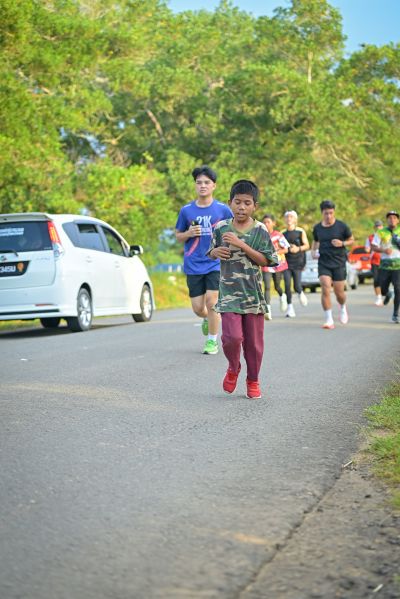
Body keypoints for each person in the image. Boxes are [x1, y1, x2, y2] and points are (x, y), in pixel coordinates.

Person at [208, 179, 278, 399]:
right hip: (229, 294)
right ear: (230, 202)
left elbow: (267, 260)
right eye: (237, 202)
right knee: (232, 338)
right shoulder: (220, 228)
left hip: (253, 295)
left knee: (254, 345)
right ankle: (233, 367)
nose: (241, 207)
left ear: (255, 206)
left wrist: (242, 245)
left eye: (247, 203)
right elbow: (211, 251)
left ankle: (253, 380)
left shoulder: (260, 230)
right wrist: (215, 252)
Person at [175, 165, 232, 354]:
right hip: (193, 263)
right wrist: (188, 233)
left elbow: (236, 228)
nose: (202, 186)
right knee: (198, 308)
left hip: (216, 262)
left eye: (207, 182)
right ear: (195, 185)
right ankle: (207, 318)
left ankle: (212, 341)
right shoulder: (186, 211)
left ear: (214, 185)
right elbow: (178, 235)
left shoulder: (223, 210)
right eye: (199, 182)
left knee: (212, 301)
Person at [311, 200, 354, 329]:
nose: (328, 216)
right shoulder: (317, 228)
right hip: (324, 262)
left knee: (339, 292)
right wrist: (313, 251)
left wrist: (342, 243)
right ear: (322, 213)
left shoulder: (342, 226)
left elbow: (351, 240)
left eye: (331, 213)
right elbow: (315, 241)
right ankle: (329, 319)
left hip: (339, 262)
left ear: (334, 212)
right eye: (326, 213)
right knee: (325, 288)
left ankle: (342, 307)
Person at [371, 210, 400, 324]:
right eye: (390, 218)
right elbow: (373, 246)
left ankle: (395, 314)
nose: (392, 220)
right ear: (387, 220)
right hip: (384, 266)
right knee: (382, 289)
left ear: (398, 220)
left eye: (394, 218)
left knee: (398, 289)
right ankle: (387, 294)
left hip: (398, 266)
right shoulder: (381, 232)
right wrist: (383, 250)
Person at [281, 210, 310, 318]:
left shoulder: (300, 231)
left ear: (295, 219)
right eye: (287, 217)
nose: (289, 219)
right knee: (287, 285)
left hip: (298, 262)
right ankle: (290, 308)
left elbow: (307, 245)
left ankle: (300, 292)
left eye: (291, 217)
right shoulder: (282, 233)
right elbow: (280, 247)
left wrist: (298, 248)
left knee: (297, 285)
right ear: (285, 219)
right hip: (286, 263)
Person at [261, 214, 290, 320]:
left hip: (277, 265)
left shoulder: (278, 235)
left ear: (273, 223)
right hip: (266, 264)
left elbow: (286, 249)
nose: (266, 224)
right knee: (267, 287)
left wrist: (275, 252)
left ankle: (282, 296)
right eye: (264, 222)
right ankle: (267, 310)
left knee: (277, 286)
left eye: (268, 222)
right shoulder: (260, 236)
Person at [365, 220, 383, 306]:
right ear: (374, 228)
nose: (378, 228)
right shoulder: (370, 238)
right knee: (376, 280)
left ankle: (390, 292)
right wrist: (367, 249)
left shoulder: (387, 236)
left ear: (382, 227)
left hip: (386, 261)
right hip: (375, 262)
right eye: (377, 226)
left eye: (380, 226)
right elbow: (367, 248)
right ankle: (379, 298)